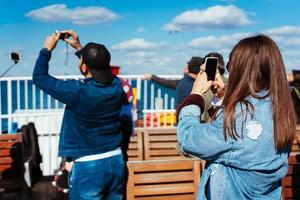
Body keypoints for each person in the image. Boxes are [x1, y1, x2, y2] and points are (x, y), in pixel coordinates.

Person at [177, 35, 296, 199]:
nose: (229, 70)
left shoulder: (239, 116)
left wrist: (195, 95)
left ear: (242, 70)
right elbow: (240, 144)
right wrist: (225, 97)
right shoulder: (279, 107)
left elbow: (189, 140)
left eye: (230, 66)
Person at [33, 30, 126, 199]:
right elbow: (94, 68)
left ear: (83, 66)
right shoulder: (117, 86)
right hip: (115, 160)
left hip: (88, 166)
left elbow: (39, 77)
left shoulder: (77, 91)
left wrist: (47, 49)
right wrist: (79, 48)